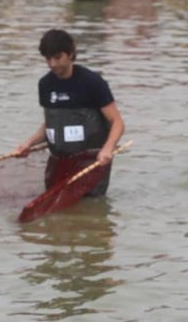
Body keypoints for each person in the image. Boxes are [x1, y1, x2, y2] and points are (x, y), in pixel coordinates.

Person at [15, 29, 126, 197]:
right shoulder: (45, 84)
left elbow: (117, 122)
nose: (53, 64)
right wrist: (29, 143)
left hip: (91, 163)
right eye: (48, 59)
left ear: (71, 54)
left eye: (57, 57)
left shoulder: (92, 82)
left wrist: (108, 149)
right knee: (54, 205)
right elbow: (50, 124)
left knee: (89, 206)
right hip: (58, 163)